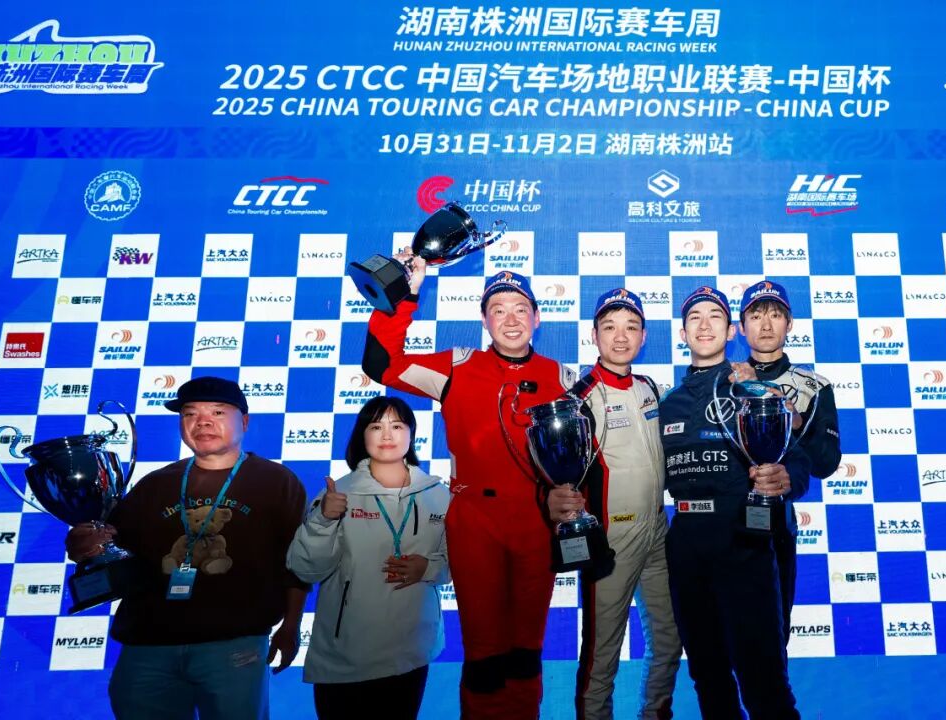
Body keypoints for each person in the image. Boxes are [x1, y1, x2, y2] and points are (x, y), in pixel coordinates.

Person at [363, 257, 576, 719]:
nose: (510, 319)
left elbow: (586, 460)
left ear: (538, 317)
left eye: (520, 309)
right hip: (476, 522)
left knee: (526, 648)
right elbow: (382, 364)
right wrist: (404, 295)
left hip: (536, 524)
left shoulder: (563, 379)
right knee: (484, 650)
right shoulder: (457, 366)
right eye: (498, 310)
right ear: (484, 320)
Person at [65, 376, 309, 720]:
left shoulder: (277, 482)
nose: (203, 422)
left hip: (234, 644)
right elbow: (111, 546)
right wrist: (84, 543)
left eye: (217, 412)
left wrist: (291, 625)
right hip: (147, 645)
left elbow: (298, 563)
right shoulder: (155, 484)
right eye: (190, 414)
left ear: (244, 421)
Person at [659, 286, 805, 720]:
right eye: (695, 318)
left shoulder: (754, 390)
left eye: (715, 317)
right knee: (708, 678)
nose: (704, 325)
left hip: (744, 541)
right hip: (686, 545)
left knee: (764, 681)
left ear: (730, 331)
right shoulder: (667, 404)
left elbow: (797, 461)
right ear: (682, 333)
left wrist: (786, 480)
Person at [546, 289, 682, 720]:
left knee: (670, 638)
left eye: (631, 327)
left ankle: (655, 712)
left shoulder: (650, 389)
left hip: (658, 531)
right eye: (610, 327)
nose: (620, 337)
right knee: (602, 652)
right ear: (594, 335)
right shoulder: (578, 396)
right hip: (612, 537)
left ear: (644, 336)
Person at [287, 396, 449, 720]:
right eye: (376, 426)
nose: (387, 435)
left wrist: (428, 567)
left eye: (397, 426)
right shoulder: (338, 494)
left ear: (412, 434)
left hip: (411, 652)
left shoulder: (438, 494)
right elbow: (305, 569)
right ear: (362, 435)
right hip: (347, 656)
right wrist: (323, 520)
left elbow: (455, 562)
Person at [737, 280, 841, 645]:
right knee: (721, 638)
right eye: (756, 316)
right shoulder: (724, 380)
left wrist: (794, 420)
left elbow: (825, 464)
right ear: (741, 327)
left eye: (775, 315)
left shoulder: (814, 386)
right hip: (724, 526)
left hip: (777, 526)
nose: (766, 325)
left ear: (790, 323)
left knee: (773, 636)